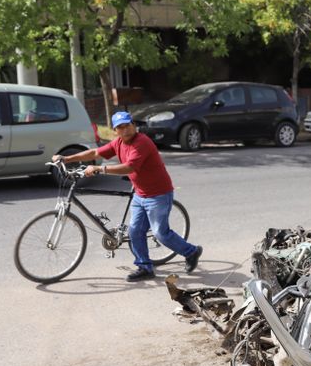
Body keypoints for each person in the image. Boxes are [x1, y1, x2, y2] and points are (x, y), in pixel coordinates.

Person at [52, 111, 203, 282]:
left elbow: (130, 167)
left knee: (160, 233)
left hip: (158, 194)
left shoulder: (142, 143)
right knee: (135, 231)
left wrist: (100, 169)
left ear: (133, 125)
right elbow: (95, 153)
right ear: (115, 131)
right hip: (140, 193)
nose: (125, 130)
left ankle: (192, 252)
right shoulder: (118, 143)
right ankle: (145, 267)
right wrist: (66, 158)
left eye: (127, 125)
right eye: (120, 128)